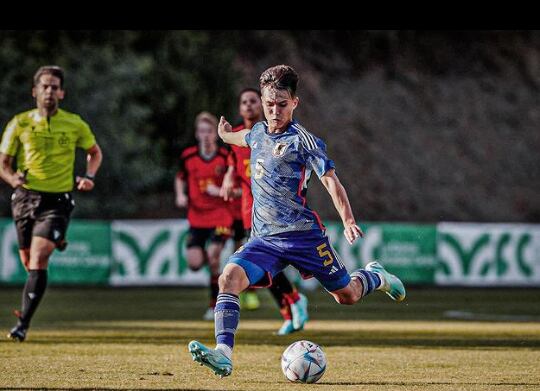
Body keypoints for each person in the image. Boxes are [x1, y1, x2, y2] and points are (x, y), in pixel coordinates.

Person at [188, 64, 406, 377]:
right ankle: (223, 353)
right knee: (228, 278)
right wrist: (224, 135)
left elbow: (331, 181)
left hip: (305, 238)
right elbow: (243, 138)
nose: (274, 111)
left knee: (347, 296)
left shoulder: (305, 142)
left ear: (294, 103)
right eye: (268, 104)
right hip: (264, 239)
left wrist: (348, 220)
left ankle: (375, 276)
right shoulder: (259, 133)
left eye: (281, 104)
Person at [0, 65, 103, 342]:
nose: (49, 91)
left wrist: (89, 176)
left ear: (62, 92)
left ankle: (23, 324)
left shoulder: (74, 123)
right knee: (28, 262)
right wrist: (13, 179)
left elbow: (94, 152)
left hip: (57, 199)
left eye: (54, 86)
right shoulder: (19, 123)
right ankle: (54, 239)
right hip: (25, 197)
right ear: (35, 91)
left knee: (39, 256)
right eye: (45, 86)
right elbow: (4, 164)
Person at [220, 88, 309, 335]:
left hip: (275, 211)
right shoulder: (237, 139)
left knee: (267, 265)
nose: (248, 106)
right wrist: (229, 178)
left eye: (252, 102)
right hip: (249, 209)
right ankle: (291, 307)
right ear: (240, 108)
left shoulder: (272, 134)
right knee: (261, 267)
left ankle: (294, 302)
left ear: (260, 106)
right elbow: (233, 166)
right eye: (244, 102)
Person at [175, 111, 232, 321]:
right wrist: (180, 194)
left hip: (220, 216)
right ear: (197, 134)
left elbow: (234, 183)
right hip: (197, 218)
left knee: (214, 256)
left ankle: (214, 305)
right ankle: (216, 267)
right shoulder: (188, 156)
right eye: (202, 131)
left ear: (215, 135)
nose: (206, 135)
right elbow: (180, 178)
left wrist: (221, 191)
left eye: (209, 131)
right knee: (195, 263)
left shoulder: (224, 157)